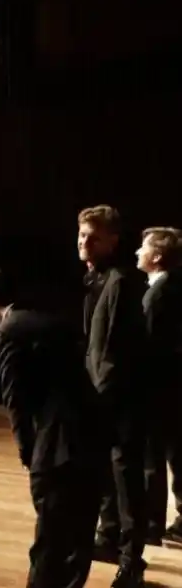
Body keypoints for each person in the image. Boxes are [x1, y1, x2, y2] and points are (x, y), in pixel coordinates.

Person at [0, 265, 103, 588]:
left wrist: (28, 452)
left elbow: (16, 401)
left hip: (57, 443)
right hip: (92, 430)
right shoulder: (51, 320)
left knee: (50, 538)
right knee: (81, 531)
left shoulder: (7, 331)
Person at [78, 204, 148, 587]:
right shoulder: (94, 279)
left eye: (93, 237)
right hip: (101, 396)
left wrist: (100, 399)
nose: (85, 242)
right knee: (105, 473)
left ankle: (131, 561)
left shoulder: (121, 280)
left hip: (120, 400)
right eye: (82, 235)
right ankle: (107, 539)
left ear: (113, 241)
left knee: (125, 479)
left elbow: (116, 351)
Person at [136, 226, 182, 542]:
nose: (137, 252)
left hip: (161, 388)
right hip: (172, 386)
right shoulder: (170, 288)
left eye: (143, 248)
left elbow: (148, 344)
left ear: (156, 256)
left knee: (157, 457)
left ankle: (152, 525)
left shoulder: (158, 294)